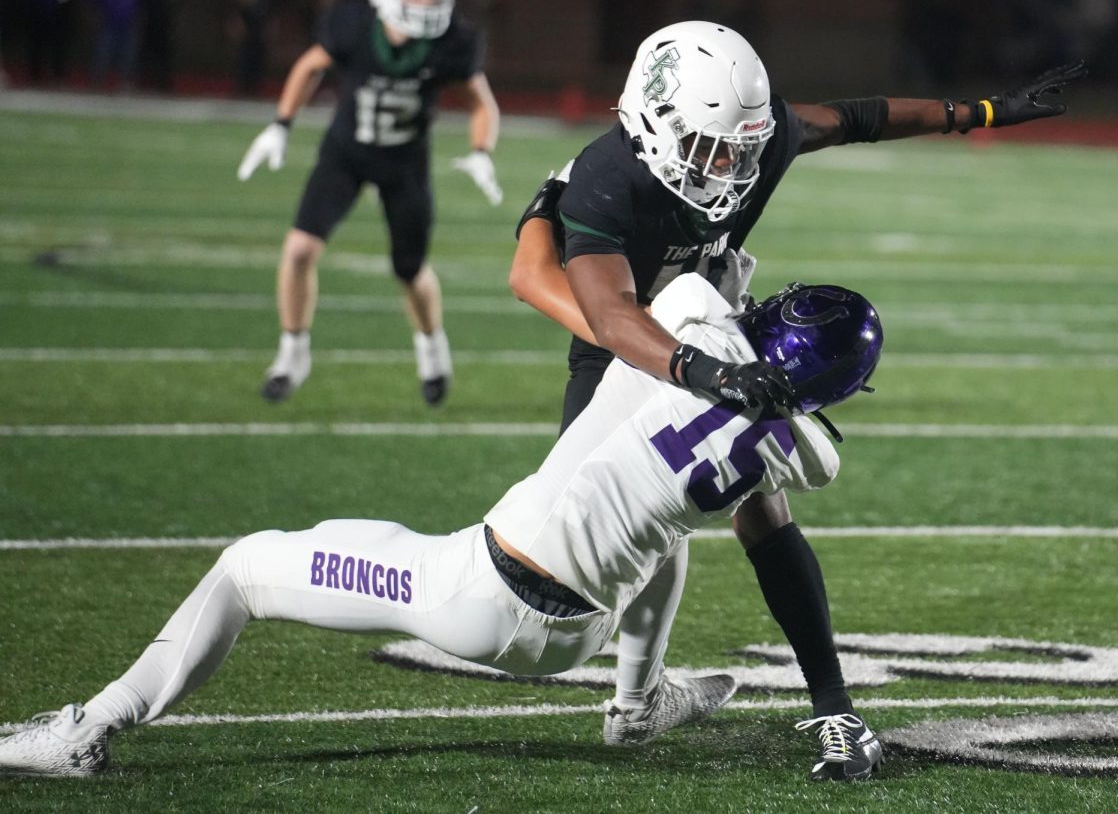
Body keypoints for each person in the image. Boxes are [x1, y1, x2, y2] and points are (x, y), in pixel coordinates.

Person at [0, 274, 884, 781]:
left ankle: (88, 729)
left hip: (480, 594)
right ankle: (636, 703)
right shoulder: (810, 455)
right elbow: (786, 462)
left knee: (241, 569)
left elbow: (690, 289)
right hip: (580, 634)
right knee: (670, 527)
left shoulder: (691, 312)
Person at [509, 20, 1086, 777]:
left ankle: (831, 706)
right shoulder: (603, 178)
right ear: (655, 124)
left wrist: (978, 113)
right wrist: (678, 362)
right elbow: (554, 290)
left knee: (759, 501)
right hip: (623, 338)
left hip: (708, 322)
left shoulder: (754, 138)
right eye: (715, 149)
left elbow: (859, 119)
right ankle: (637, 694)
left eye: (743, 148)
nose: (731, 167)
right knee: (603, 530)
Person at [238, 0, 503, 406]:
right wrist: (280, 124)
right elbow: (309, 67)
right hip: (346, 152)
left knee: (410, 269)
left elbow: (481, 101)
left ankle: (431, 347)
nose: (429, 5)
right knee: (298, 250)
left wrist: (481, 150)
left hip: (405, 163)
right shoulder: (354, 24)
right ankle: (292, 353)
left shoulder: (452, 40)